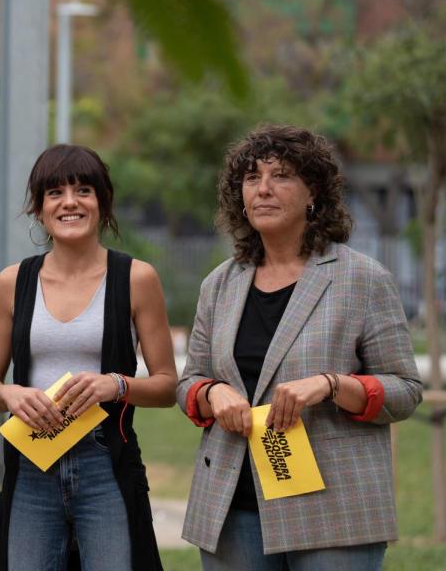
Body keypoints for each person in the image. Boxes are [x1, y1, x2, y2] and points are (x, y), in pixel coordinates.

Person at [176, 124, 423, 570]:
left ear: (314, 193)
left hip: (334, 509)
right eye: (252, 178)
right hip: (234, 508)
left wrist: (331, 385)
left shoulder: (362, 279)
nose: (263, 189)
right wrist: (211, 393)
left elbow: (405, 390)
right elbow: (189, 380)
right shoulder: (219, 284)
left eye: (281, 176)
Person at [0, 144, 177, 571]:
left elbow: (166, 386)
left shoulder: (136, 278)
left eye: (83, 190)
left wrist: (117, 384)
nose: (70, 202)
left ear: (102, 203)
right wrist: (10, 394)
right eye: (55, 193)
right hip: (31, 469)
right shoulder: (14, 282)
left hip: (106, 464)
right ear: (39, 208)